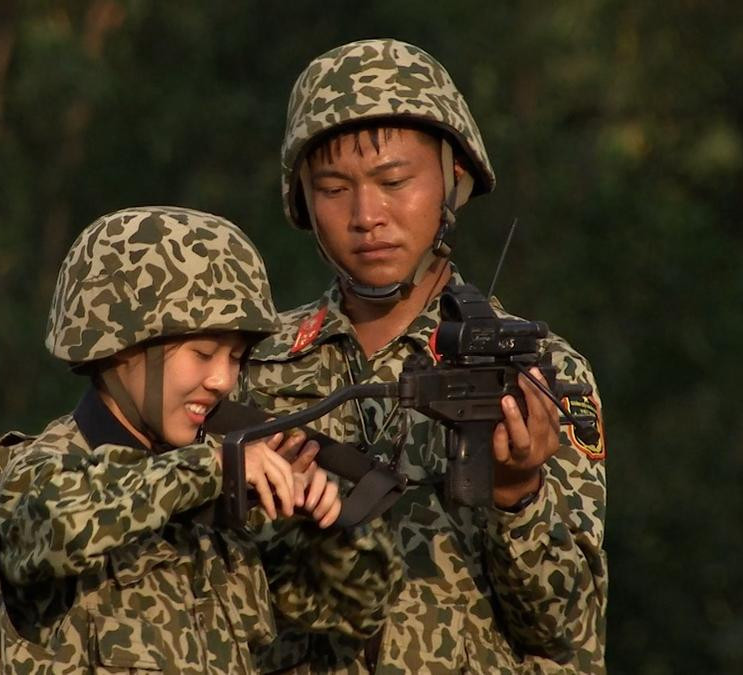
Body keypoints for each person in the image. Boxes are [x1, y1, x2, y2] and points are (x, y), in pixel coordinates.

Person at [242, 40, 608, 673]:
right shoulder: (248, 365)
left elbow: (567, 630)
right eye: (333, 188)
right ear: (302, 201)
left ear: (454, 180)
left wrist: (519, 493)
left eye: (394, 181)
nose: (366, 216)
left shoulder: (535, 369)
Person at [0, 206, 402, 674]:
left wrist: (322, 527)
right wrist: (216, 468)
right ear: (120, 346)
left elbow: (355, 616)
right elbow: (59, 528)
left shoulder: (225, 513)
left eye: (235, 358)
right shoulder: (40, 473)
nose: (222, 380)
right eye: (203, 353)